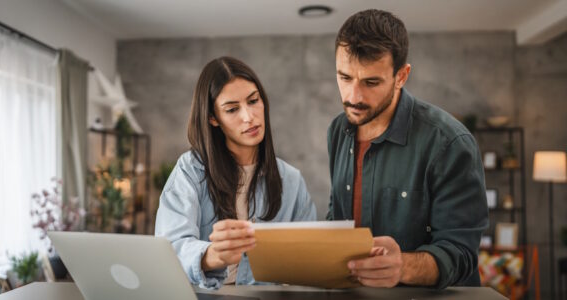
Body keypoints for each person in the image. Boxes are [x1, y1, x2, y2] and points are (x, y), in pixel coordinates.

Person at [327, 9, 488, 289]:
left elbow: (461, 254)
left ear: (401, 76)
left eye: (371, 82)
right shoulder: (338, 131)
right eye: (344, 77)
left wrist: (402, 266)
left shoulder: (449, 143)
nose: (353, 96)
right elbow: (337, 216)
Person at [155, 56, 316, 289]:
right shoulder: (190, 170)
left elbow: (309, 259)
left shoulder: (291, 180)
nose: (248, 116)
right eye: (232, 109)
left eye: (253, 101)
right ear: (213, 118)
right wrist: (212, 255)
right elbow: (169, 248)